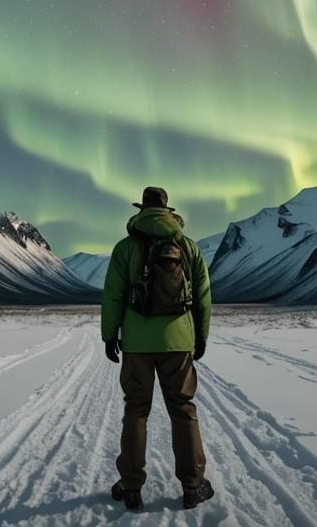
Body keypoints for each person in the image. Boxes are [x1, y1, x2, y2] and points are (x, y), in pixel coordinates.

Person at [101, 185, 214, 511]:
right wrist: (200, 336)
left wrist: (110, 335)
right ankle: (193, 486)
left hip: (137, 344)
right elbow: (203, 296)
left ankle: (131, 486)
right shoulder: (187, 247)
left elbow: (112, 296)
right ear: (168, 211)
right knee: (183, 410)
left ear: (141, 210)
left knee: (136, 411)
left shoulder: (125, 248)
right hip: (178, 343)